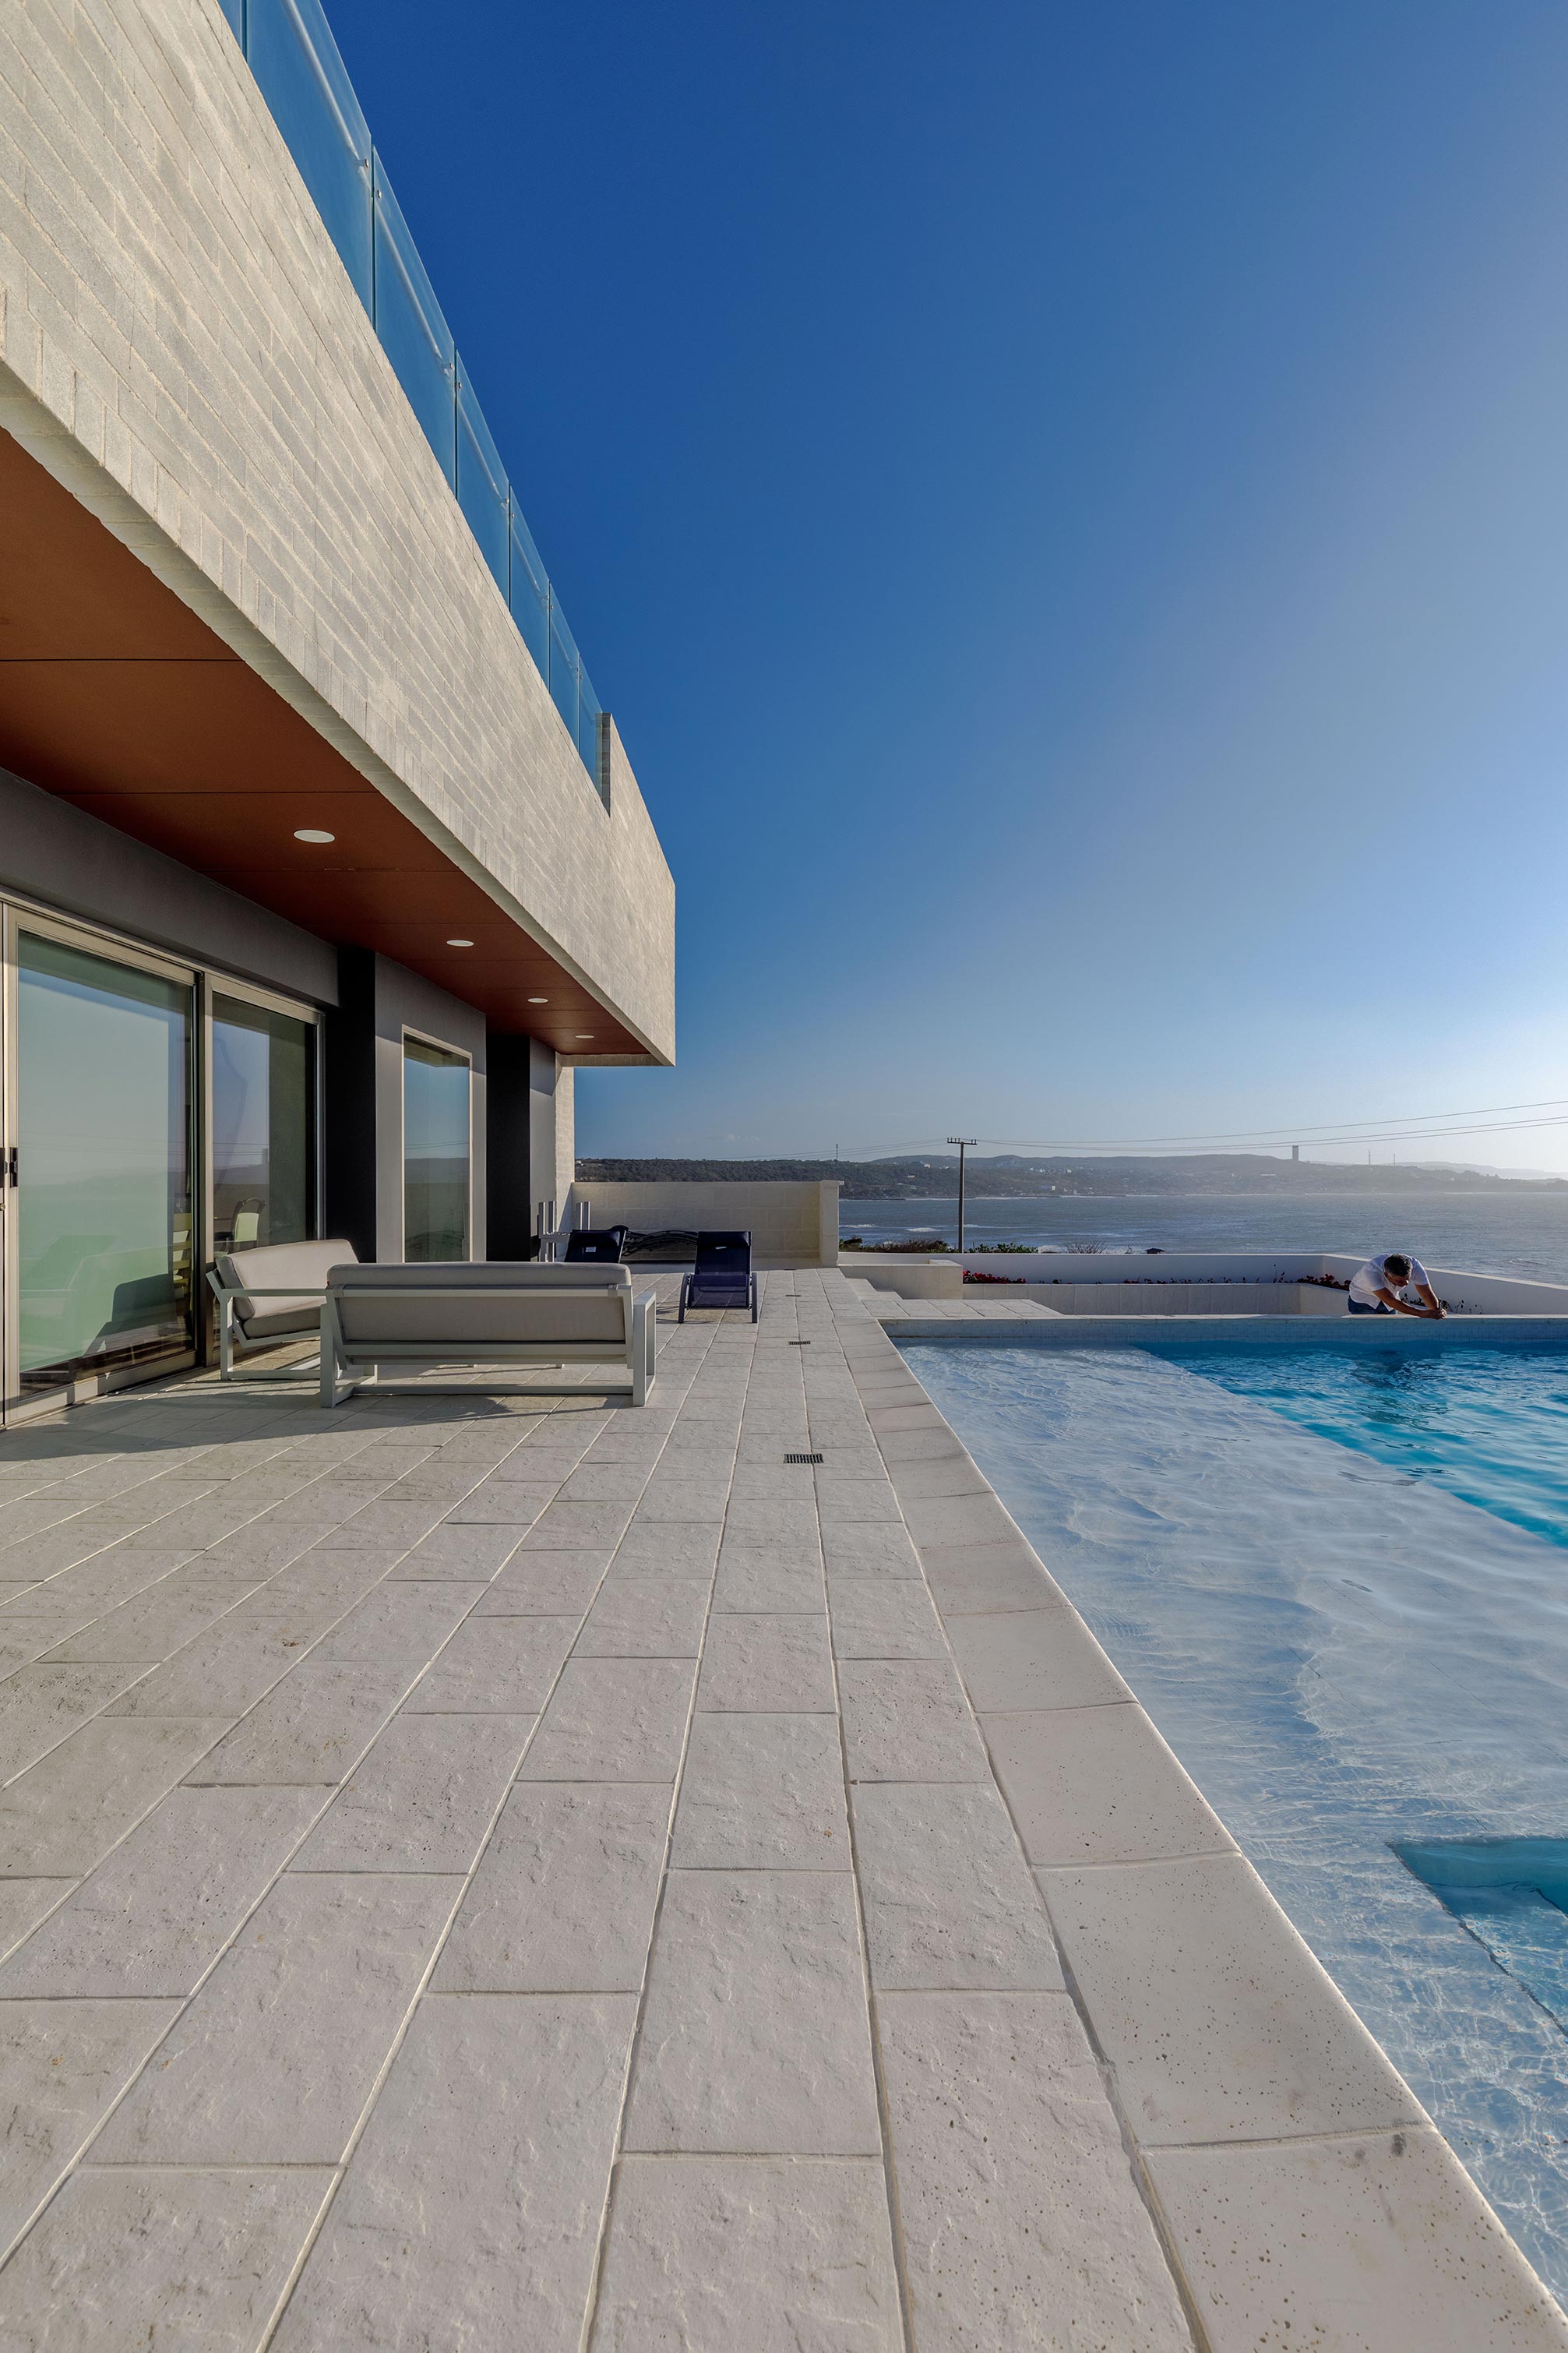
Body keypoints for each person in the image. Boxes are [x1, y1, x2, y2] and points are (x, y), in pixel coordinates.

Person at [1347, 1251, 1446, 1318]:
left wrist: (1436, 1312)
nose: (1406, 1283)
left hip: (1391, 1301)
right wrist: (1421, 1313)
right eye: (1400, 1281)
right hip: (1363, 1301)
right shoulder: (1371, 1271)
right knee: (1369, 1333)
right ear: (1387, 1275)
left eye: (1408, 1279)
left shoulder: (1416, 1266)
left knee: (1391, 1331)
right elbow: (1389, 1300)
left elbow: (1427, 1294)